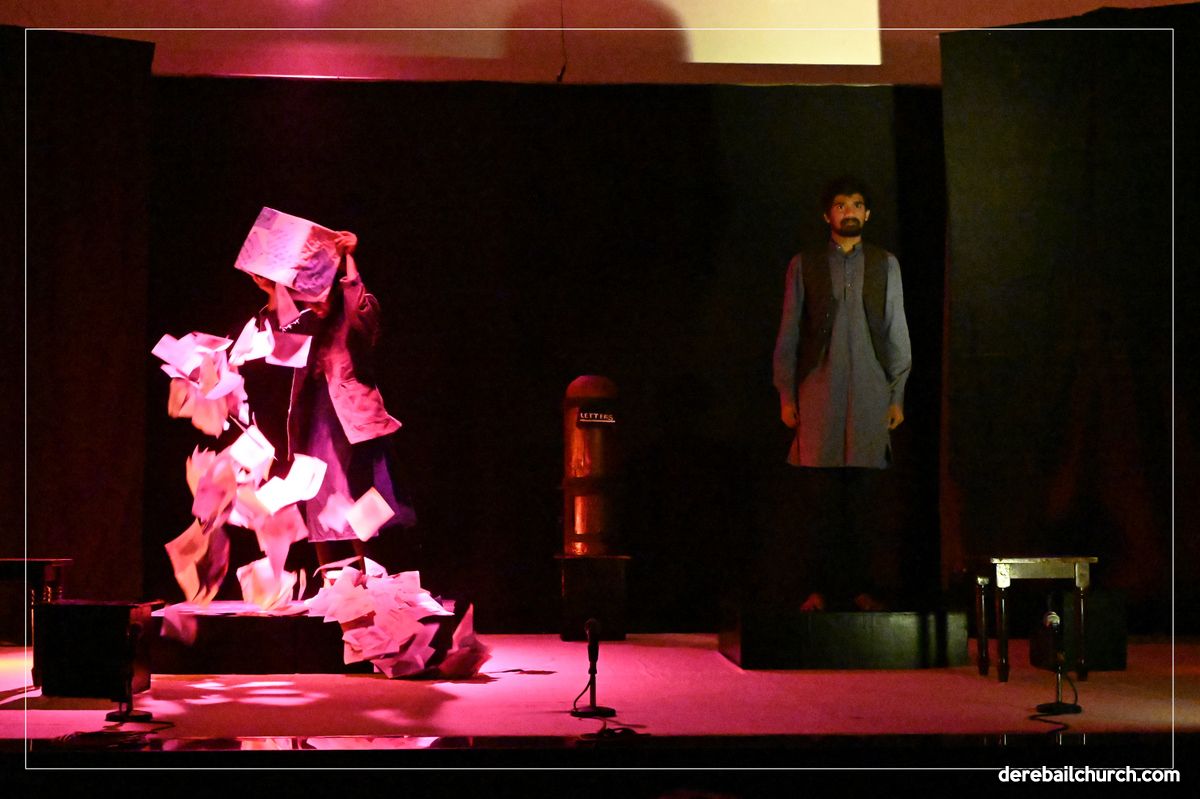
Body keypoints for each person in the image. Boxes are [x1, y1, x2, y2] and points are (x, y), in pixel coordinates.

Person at [771, 177, 911, 611]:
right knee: (821, 505)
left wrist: (897, 395)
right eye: (840, 205)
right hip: (818, 395)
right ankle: (817, 590)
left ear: (867, 213)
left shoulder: (885, 264)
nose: (849, 211)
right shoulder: (805, 264)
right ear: (826, 215)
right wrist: (786, 395)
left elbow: (897, 330)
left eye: (856, 204)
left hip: (870, 394)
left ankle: (862, 589)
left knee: (864, 505)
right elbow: (789, 333)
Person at [250, 231, 417, 567]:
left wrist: (349, 259)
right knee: (319, 497)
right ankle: (329, 581)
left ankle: (372, 578)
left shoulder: (352, 319)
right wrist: (272, 290)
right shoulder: (311, 323)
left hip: (352, 421)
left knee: (357, 499)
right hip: (319, 422)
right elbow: (278, 336)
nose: (315, 302)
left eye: (320, 293)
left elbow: (360, 307)